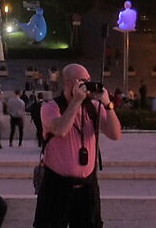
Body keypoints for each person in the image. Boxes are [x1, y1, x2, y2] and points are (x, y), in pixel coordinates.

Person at [33, 64, 120, 228]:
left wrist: (108, 104)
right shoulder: (50, 107)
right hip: (56, 188)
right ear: (68, 83)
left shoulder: (93, 108)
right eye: (81, 81)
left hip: (87, 188)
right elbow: (61, 129)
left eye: (88, 80)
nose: (86, 85)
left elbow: (115, 134)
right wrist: (76, 101)